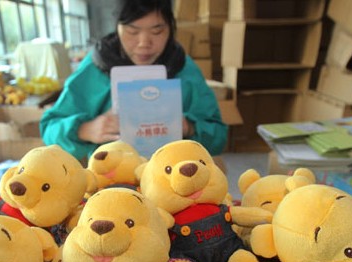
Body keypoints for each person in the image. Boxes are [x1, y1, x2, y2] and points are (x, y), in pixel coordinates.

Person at [40, 0, 228, 161]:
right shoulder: (94, 68)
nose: (144, 43)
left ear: (171, 29)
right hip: (111, 181)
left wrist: (188, 127)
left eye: (157, 31)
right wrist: (84, 130)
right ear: (117, 28)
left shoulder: (183, 68)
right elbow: (49, 127)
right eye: (132, 31)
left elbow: (219, 135)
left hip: (173, 181)